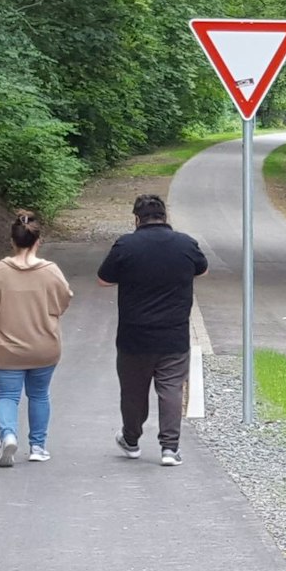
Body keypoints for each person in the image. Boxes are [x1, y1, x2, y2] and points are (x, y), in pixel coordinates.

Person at [97, 193, 208, 466]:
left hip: (134, 335)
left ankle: (131, 440)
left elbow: (103, 279)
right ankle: (169, 448)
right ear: (165, 216)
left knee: (133, 391)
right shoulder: (185, 244)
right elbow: (202, 270)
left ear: (136, 218)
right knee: (171, 389)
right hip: (174, 334)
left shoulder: (126, 245)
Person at [0, 211, 74, 467]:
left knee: (7, 396)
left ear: (12, 241)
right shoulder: (51, 272)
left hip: (6, 348)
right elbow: (62, 302)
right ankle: (38, 446)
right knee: (39, 395)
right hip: (44, 346)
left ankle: (8, 435)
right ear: (37, 241)